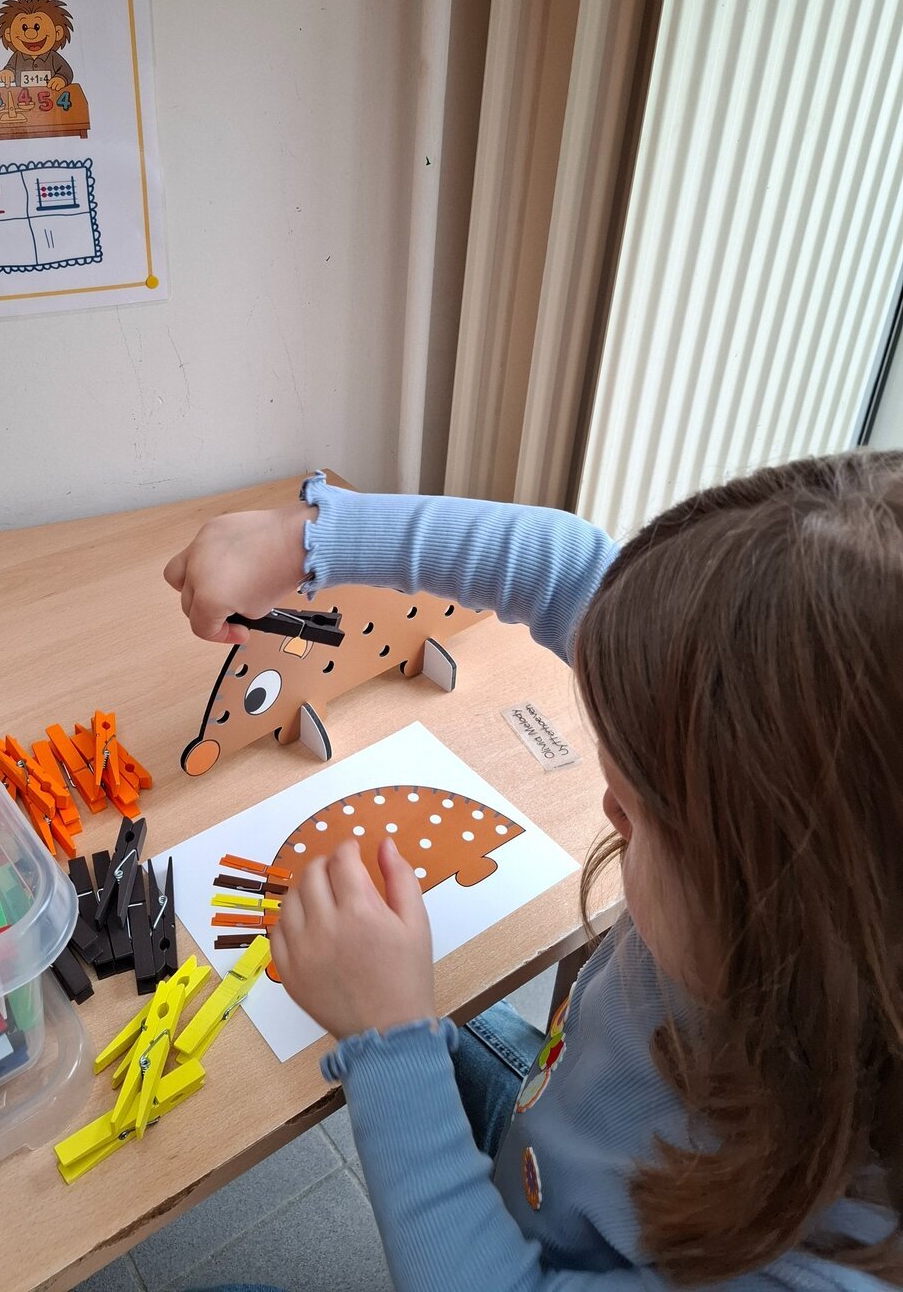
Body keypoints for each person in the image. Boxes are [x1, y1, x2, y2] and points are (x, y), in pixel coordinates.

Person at [163, 457, 903, 1292]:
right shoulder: (772, 788)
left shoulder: (822, 1270)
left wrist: (389, 1042)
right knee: (455, 1014)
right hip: (552, 1129)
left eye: (641, 812)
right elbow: (567, 569)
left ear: (785, 917)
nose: (610, 808)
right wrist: (307, 539)